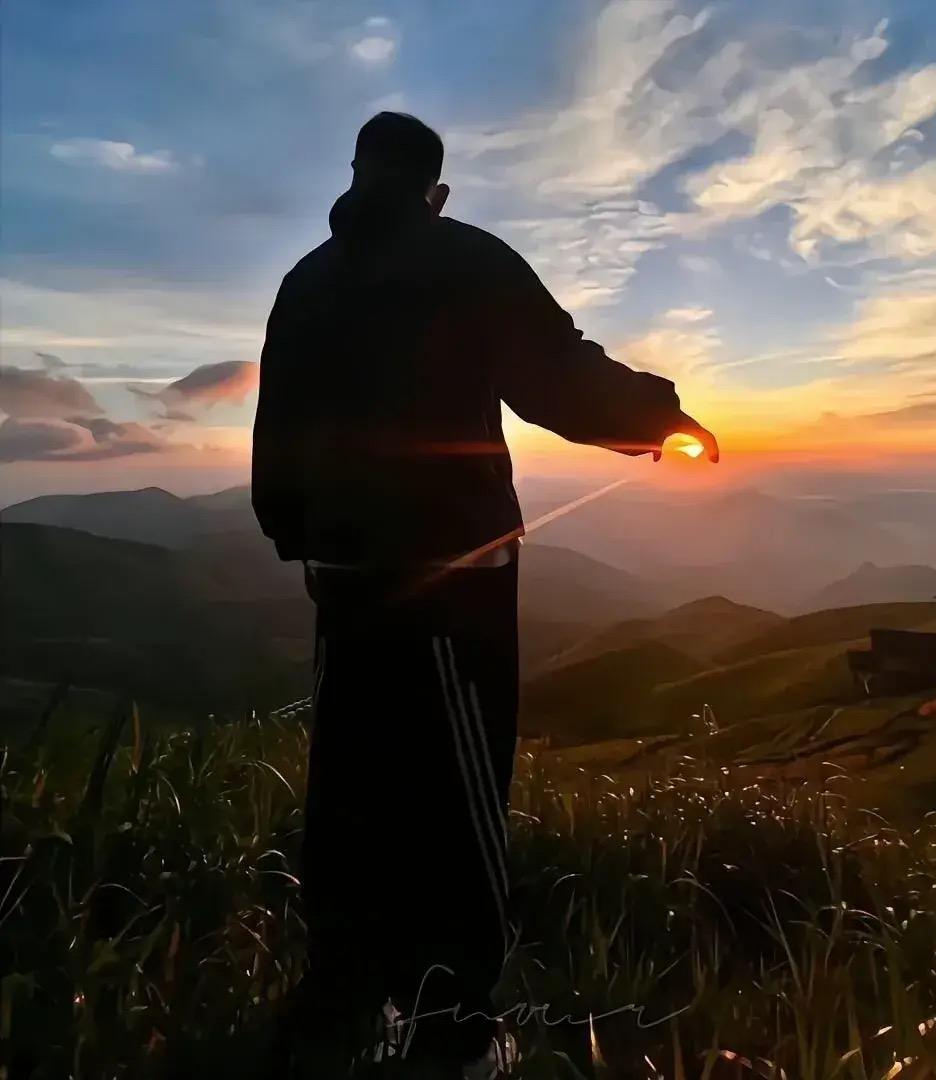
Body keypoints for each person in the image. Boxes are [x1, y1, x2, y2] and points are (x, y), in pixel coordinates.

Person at [251, 111, 718, 1077]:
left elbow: (276, 426)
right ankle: (452, 1024)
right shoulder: (463, 258)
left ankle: (340, 993)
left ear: (354, 173)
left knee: (352, 778)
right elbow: (558, 375)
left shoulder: (305, 281)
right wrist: (660, 415)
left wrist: (299, 535)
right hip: (450, 573)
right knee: (455, 788)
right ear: (436, 187)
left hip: (341, 577)